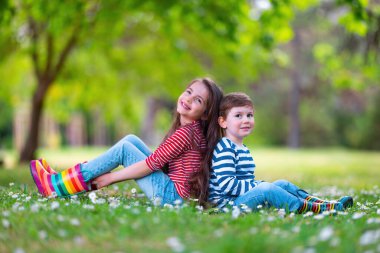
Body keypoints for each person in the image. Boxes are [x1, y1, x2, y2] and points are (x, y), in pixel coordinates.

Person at [30, 77, 223, 206]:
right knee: (131, 140)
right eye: (188, 92)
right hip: (173, 193)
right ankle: (69, 182)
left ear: (206, 114)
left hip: (171, 198)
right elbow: (160, 161)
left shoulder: (186, 134)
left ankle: (57, 186)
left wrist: (111, 178)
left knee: (124, 149)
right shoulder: (190, 131)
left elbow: (151, 164)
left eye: (198, 100)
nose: (188, 99)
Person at [208, 92, 353, 214]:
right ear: (223, 122)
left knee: (282, 184)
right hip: (228, 206)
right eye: (238, 116)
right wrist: (258, 185)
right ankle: (316, 209)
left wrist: (257, 185)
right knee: (266, 189)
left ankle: (324, 203)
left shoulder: (242, 148)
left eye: (249, 115)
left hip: (241, 199)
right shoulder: (224, 147)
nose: (246, 120)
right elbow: (228, 185)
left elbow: (247, 183)